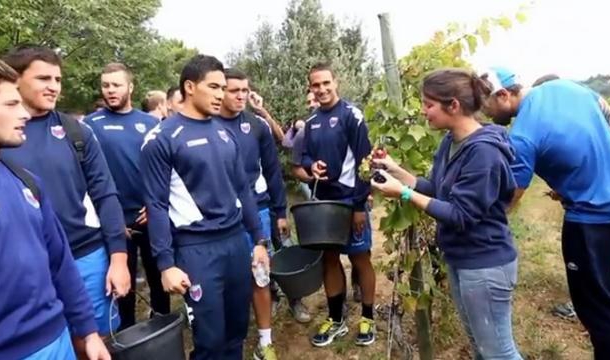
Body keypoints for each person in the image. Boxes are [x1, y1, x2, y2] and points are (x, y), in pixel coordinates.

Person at [371, 68, 523, 359]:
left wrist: (403, 193)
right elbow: (437, 189)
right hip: (461, 259)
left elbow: (460, 215)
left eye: (429, 104)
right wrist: (396, 170)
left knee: (498, 352)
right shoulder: (450, 142)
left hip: (485, 264)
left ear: (453, 105)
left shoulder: (484, 153)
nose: (423, 111)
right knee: (480, 346)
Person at [479, 66, 610, 359]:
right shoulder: (570, 88)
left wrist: (477, 224)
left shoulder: (522, 136)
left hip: (592, 226)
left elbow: (511, 198)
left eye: (486, 107)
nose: (485, 116)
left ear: (503, 95)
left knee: (601, 313)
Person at [0, 45, 130, 354]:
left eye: (58, 79)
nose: (54, 87)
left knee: (97, 340)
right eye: (44, 78)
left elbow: (105, 193)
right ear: (15, 79)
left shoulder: (76, 131)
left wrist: (119, 258)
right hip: (27, 266)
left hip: (86, 255)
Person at [140, 54, 270, 360]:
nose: (221, 94)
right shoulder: (161, 139)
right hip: (196, 249)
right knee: (210, 341)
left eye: (223, 87)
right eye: (213, 87)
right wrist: (165, 263)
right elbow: (156, 205)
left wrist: (259, 240)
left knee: (237, 330)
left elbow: (243, 189)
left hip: (236, 243)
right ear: (189, 87)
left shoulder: (225, 132)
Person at [83, 63, 168, 331]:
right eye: (106, 85)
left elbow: (165, 171)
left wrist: (156, 203)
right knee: (123, 286)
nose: (110, 90)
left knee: (158, 279)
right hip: (113, 222)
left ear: (130, 87)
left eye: (116, 85)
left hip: (150, 216)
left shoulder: (151, 123)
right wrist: (108, 217)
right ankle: (128, 337)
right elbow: (84, 176)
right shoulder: (88, 126)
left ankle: (163, 329)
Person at [300, 62, 376, 347]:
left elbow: (365, 163)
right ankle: (336, 320)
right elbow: (305, 157)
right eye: (315, 85)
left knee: (360, 258)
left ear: (336, 82)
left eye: (325, 83)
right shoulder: (310, 123)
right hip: (323, 203)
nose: (321, 89)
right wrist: (312, 166)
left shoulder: (351, 116)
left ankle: (368, 318)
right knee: (330, 260)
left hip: (349, 201)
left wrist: (359, 206)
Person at [217, 68, 291, 360]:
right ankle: (227, 340)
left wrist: (280, 211)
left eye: (244, 90)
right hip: (220, 218)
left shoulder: (257, 125)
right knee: (226, 281)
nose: (240, 95)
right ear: (220, 90)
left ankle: (265, 341)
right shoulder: (206, 124)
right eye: (233, 90)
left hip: (257, 211)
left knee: (260, 277)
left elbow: (273, 171)